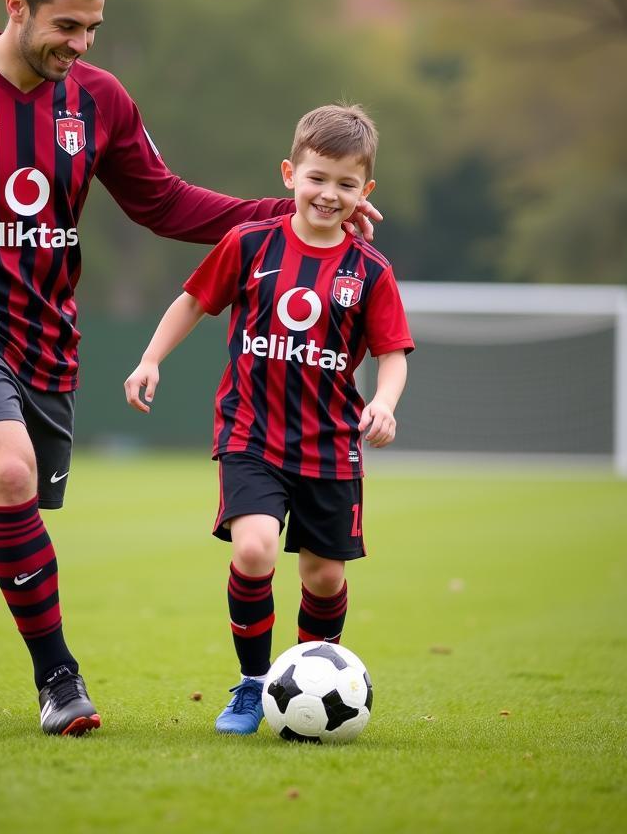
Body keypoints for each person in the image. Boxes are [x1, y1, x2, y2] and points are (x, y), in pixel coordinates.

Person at [0, 0, 379, 738]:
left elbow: (163, 201)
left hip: (46, 337)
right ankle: (59, 682)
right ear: (17, 6)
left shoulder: (98, 100)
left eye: (92, 30)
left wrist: (295, 213)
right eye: (66, 27)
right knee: (9, 475)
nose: (79, 46)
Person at [123, 103, 413, 735]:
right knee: (254, 549)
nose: (328, 194)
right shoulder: (249, 243)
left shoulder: (370, 272)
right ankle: (255, 685)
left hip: (331, 447)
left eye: (345, 184)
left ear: (365, 192)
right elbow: (193, 302)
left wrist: (384, 403)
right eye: (317, 178)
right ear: (290, 174)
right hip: (251, 434)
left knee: (323, 574)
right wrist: (149, 360)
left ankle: (305, 678)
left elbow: (392, 356)